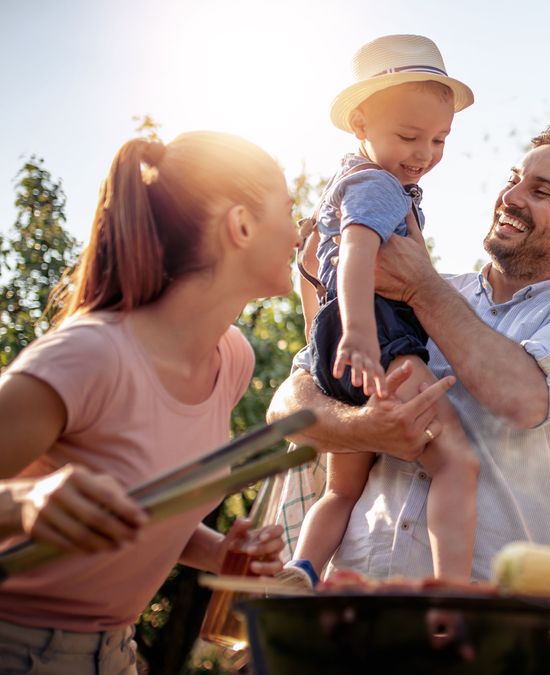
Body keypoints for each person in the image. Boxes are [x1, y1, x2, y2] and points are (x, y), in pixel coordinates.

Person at [267, 124, 550, 582]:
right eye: (514, 178)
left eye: (540, 191)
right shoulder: (423, 288)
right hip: (351, 604)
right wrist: (365, 429)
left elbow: (522, 397)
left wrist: (423, 288)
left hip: (483, 626)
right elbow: (287, 407)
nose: (511, 197)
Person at [0, 132, 294, 673]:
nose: (299, 234)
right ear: (242, 226)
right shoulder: (91, 355)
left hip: (114, 653)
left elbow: (140, 511)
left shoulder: (230, 359)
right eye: (289, 210)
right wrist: (26, 504)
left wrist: (218, 553)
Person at [281, 34, 479, 588]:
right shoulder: (378, 185)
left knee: (341, 489)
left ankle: (301, 567)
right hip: (375, 335)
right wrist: (364, 337)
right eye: (410, 136)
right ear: (360, 124)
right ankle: (454, 589)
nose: (424, 154)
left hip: (334, 344)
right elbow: (357, 257)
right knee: (456, 463)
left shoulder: (345, 182)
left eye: (439, 140)